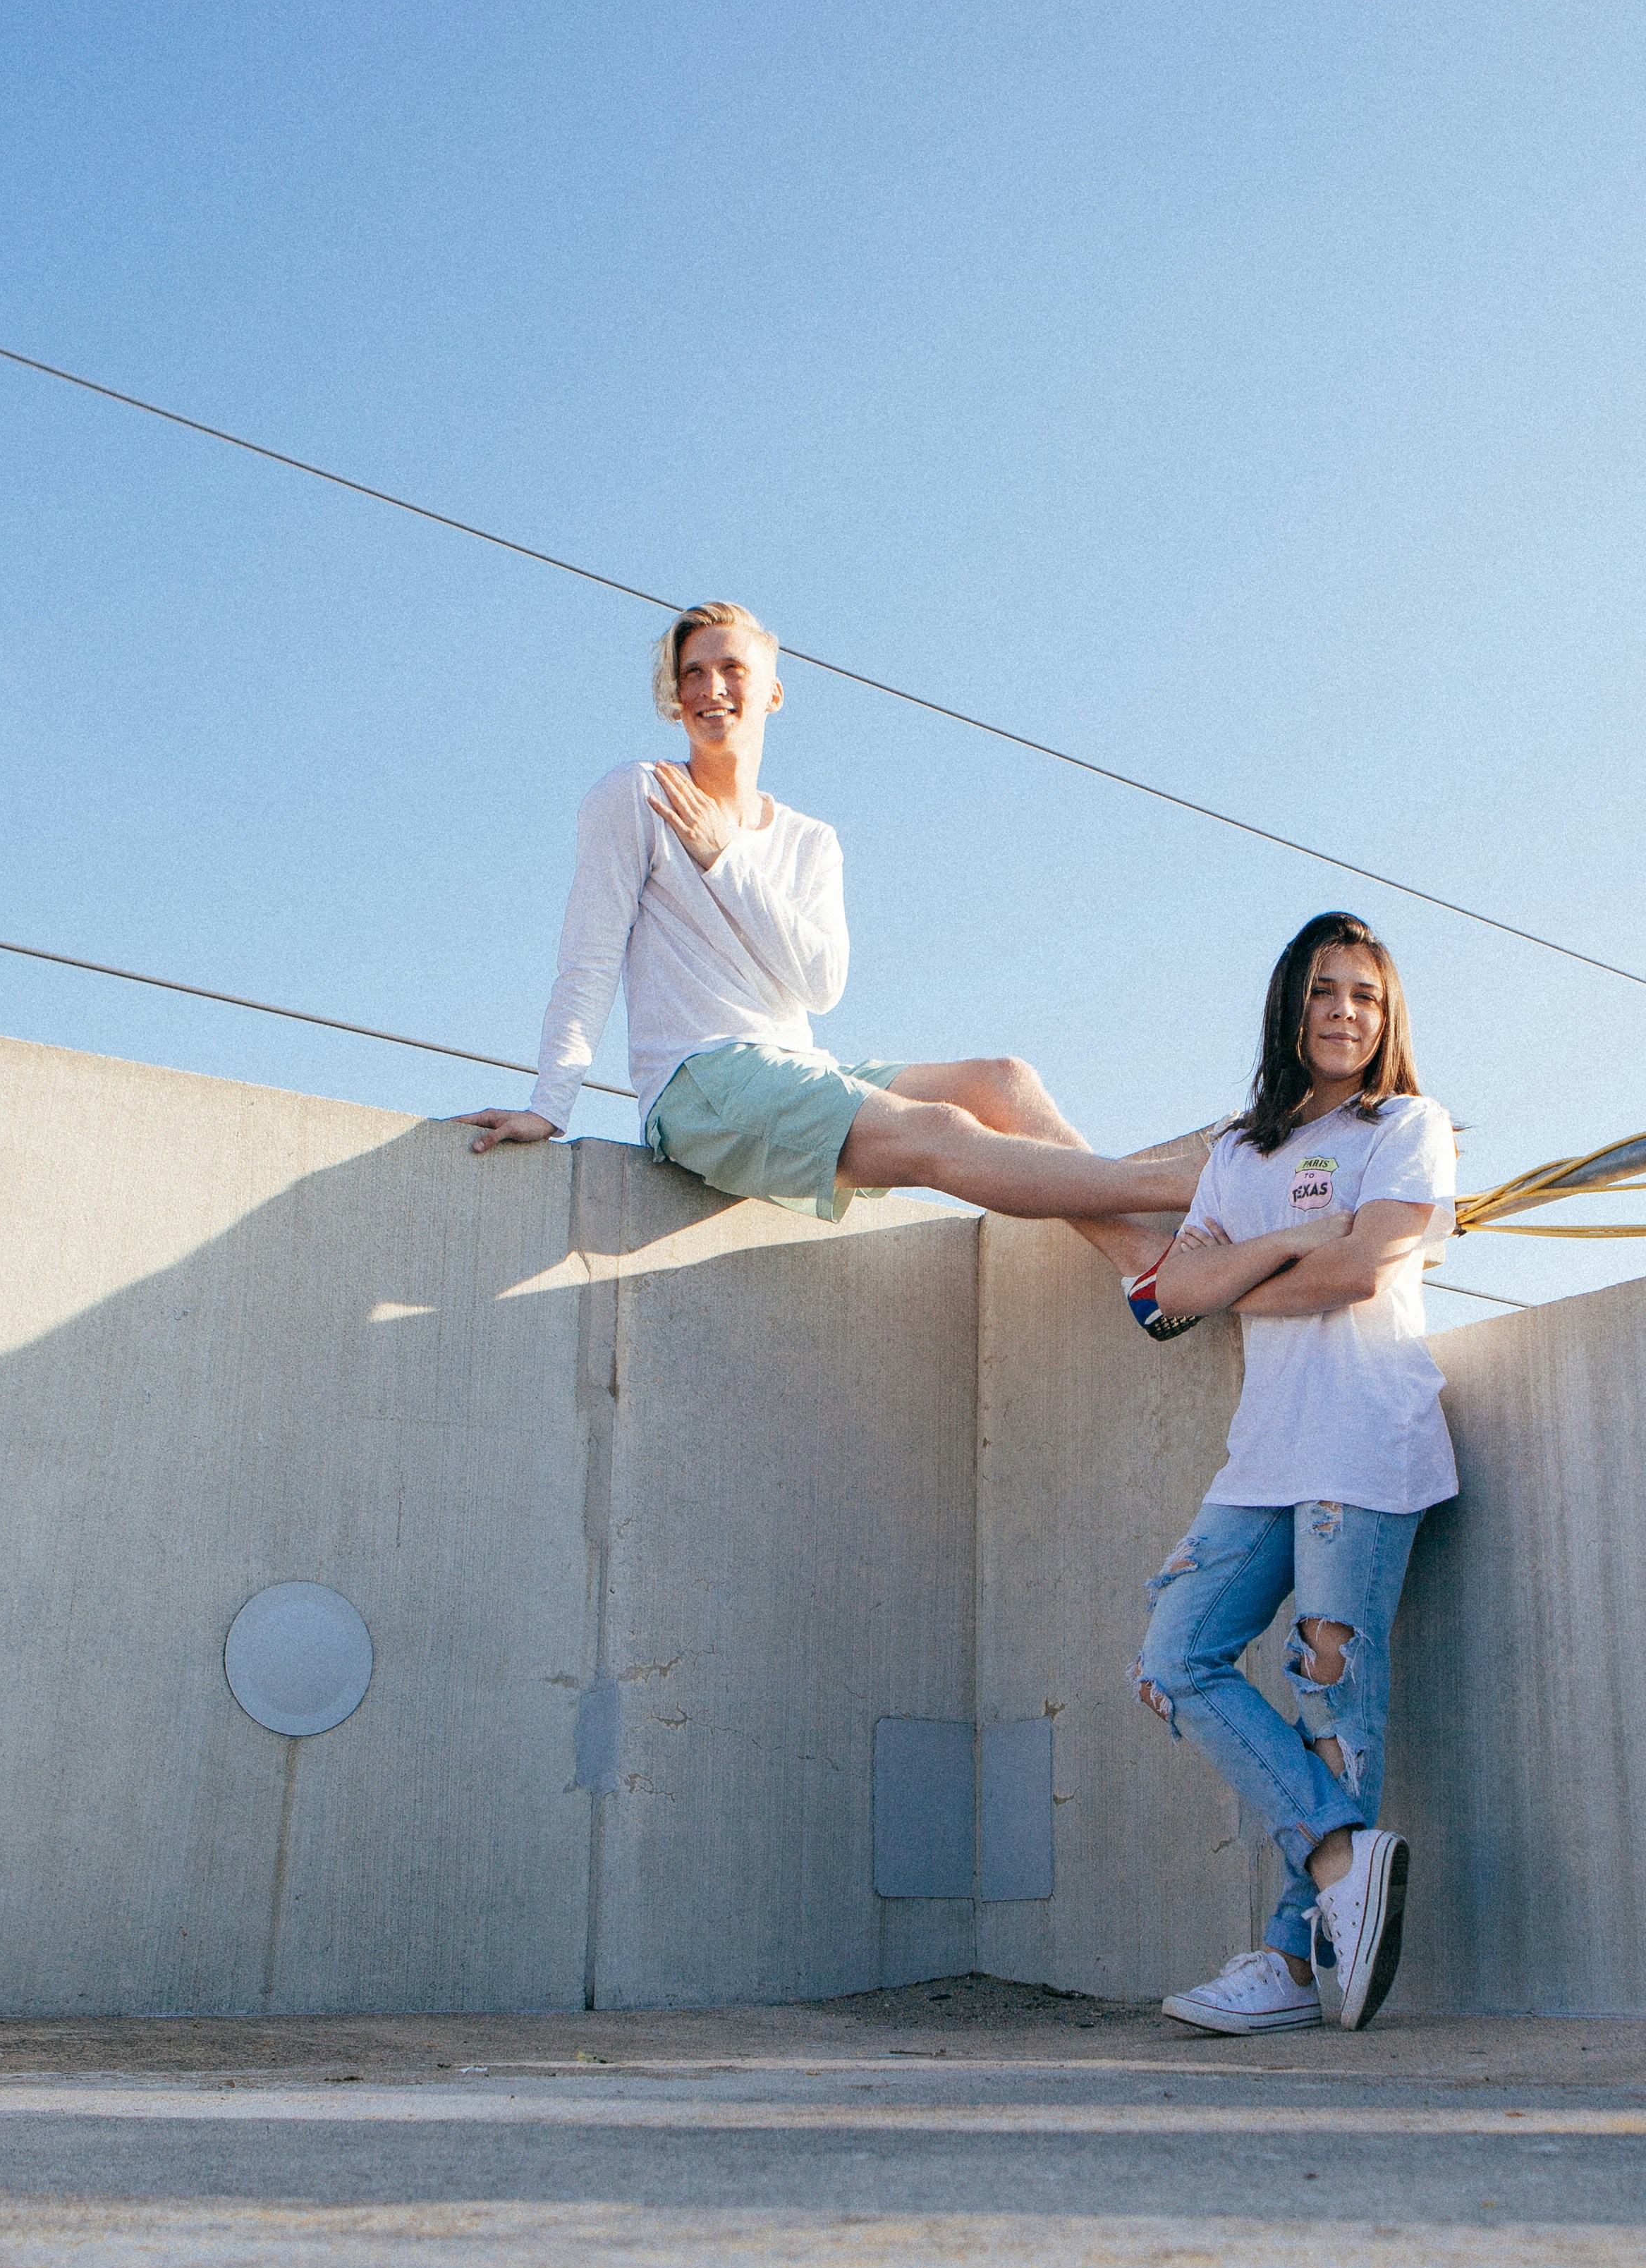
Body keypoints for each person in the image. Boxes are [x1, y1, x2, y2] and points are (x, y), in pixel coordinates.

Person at [453, 603, 1193, 1282]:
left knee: (1002, 1080)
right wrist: (550, 1105)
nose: (712, 687)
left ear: (772, 692)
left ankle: (1144, 1263)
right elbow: (587, 957)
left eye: (732, 668)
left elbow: (821, 983)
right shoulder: (638, 794)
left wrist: (727, 860)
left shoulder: (811, 841)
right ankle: (1189, 1182)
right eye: (693, 673)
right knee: (939, 1130)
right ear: (676, 699)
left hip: (794, 1067)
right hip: (698, 1083)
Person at [1131, 910, 1457, 2035]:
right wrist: (1278, 1248)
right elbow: (1171, 1297)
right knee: (1177, 1654)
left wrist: (1238, 1271)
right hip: (1264, 1454)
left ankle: (1287, 1964)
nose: (1346, 1014)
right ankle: (1339, 1858)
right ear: (1292, 1004)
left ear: (1389, 1015)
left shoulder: (1408, 1127)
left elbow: (1368, 1269)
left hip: (1365, 1441)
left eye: (1366, 995)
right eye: (1326, 992)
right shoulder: (1239, 1151)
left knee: (1330, 1696)